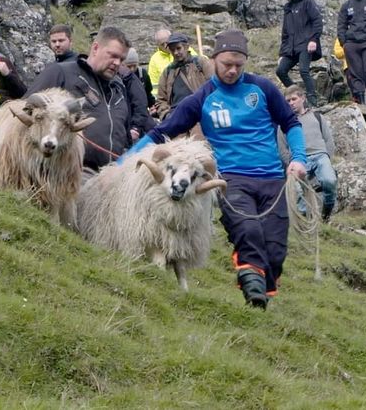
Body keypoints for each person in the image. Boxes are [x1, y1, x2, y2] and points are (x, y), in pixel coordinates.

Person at [140, 30, 306, 310]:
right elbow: (163, 131)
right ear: (214, 59)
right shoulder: (202, 97)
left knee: (276, 248)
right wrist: (125, 159)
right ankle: (253, 292)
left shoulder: (263, 89)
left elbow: (291, 123)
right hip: (231, 180)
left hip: (273, 180)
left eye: (239, 65)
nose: (232, 70)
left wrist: (299, 158)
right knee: (248, 230)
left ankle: (263, 293)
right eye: (227, 63)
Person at [27, 26, 132, 172]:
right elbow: (25, 112)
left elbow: (126, 133)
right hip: (71, 173)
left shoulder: (119, 87)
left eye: (121, 59)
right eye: (113, 55)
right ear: (95, 48)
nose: (117, 63)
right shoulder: (60, 72)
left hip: (112, 176)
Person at [284, 85, 337, 223]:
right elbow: (282, 147)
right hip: (298, 161)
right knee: (298, 191)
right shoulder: (284, 122)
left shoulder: (317, 116)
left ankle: (326, 215)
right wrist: (290, 163)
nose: (291, 103)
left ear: (303, 98)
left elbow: (328, 140)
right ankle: (306, 221)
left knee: (329, 181)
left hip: (320, 155)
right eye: (288, 101)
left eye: (294, 99)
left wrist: (328, 160)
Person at [275, 0, 323, 105]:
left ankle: (313, 99)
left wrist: (313, 40)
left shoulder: (307, 2)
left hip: (306, 44)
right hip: (291, 48)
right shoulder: (287, 8)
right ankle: (298, 94)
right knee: (280, 71)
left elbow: (317, 21)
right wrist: (282, 54)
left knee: (303, 70)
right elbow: (285, 32)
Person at [155, 32, 215, 120]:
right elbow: (161, 100)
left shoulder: (201, 63)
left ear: (186, 47)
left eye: (178, 48)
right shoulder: (167, 72)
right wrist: (167, 115)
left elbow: (215, 86)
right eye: (172, 50)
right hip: (177, 117)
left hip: (200, 114)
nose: (175, 52)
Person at [119, 48, 156, 140]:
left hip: (141, 110)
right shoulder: (119, 76)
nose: (132, 69)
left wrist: (153, 106)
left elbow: (148, 93)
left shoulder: (142, 74)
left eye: (134, 66)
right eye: (129, 66)